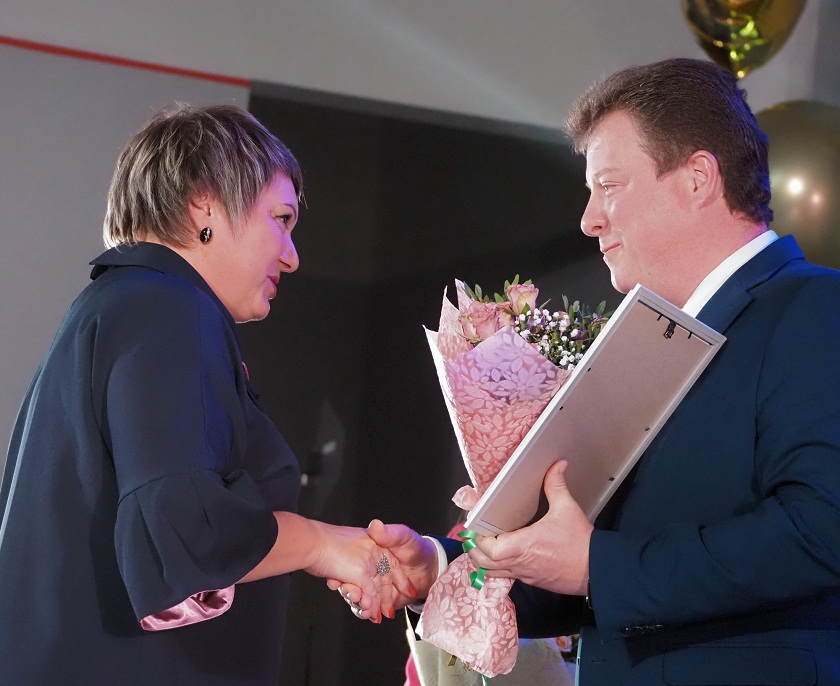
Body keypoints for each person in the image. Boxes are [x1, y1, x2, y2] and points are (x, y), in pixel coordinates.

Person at [340, 58, 840, 684]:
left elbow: (822, 531)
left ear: (697, 179)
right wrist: (437, 569)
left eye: (609, 186)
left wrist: (598, 566)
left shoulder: (816, 309)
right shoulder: (648, 340)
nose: (589, 219)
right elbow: (589, 574)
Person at [0, 104, 399, 685]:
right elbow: (186, 530)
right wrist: (320, 545)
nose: (291, 256)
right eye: (281, 219)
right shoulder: (168, 308)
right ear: (203, 204)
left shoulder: (119, 306)